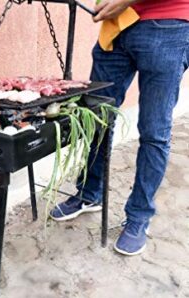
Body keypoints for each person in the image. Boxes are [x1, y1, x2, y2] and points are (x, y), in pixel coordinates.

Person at [50, 0, 189, 256]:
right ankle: (90, 193)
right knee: (98, 118)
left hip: (168, 25)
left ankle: (139, 216)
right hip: (115, 28)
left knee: (154, 132)